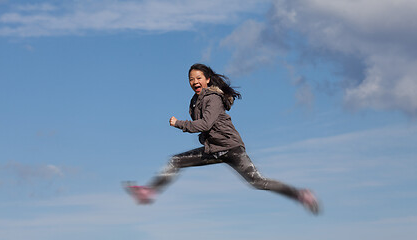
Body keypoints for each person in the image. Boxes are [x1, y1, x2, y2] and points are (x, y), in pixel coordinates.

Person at [125, 63, 320, 215]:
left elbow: (205, 124)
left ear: (208, 79)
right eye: (191, 79)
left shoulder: (213, 98)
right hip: (213, 151)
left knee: (258, 182)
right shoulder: (194, 101)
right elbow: (204, 127)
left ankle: (300, 195)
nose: (194, 82)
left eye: (198, 78)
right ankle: (149, 191)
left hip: (232, 148)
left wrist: (179, 123)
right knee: (176, 161)